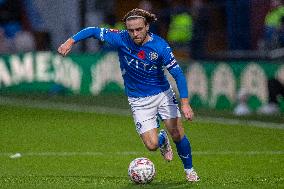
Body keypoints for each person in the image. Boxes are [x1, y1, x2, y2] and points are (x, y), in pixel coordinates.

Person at [58, 8, 199, 182]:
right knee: (151, 145)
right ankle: (162, 139)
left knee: (177, 133)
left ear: (147, 26)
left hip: (162, 94)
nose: (134, 34)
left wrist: (184, 103)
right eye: (131, 30)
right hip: (138, 101)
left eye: (138, 29)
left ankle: (189, 170)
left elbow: (178, 74)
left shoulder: (160, 46)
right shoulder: (121, 38)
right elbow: (93, 31)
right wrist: (70, 41)